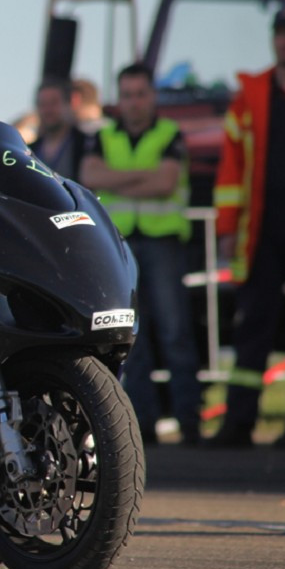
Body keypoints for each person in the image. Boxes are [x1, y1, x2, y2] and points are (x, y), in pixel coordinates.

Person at [209, 7, 285, 449]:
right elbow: (230, 168)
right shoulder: (252, 95)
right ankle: (238, 422)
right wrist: (228, 226)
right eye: (279, 32)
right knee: (253, 322)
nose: (284, 41)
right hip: (262, 229)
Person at [80, 63, 202, 446]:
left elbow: (166, 183)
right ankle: (144, 425)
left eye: (140, 94)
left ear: (152, 96)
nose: (133, 103)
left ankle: (190, 423)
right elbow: (90, 176)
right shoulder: (104, 136)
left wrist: (118, 178)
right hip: (121, 248)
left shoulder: (169, 134)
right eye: (127, 95)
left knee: (176, 333)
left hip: (163, 243)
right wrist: (142, 177)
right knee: (134, 340)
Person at [29, 77, 87, 183]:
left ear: (69, 104)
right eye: (43, 104)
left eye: (54, 103)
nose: (48, 110)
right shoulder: (29, 151)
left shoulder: (86, 145)